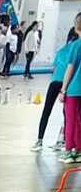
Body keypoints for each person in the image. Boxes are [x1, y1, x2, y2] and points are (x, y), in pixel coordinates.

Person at [30, 27, 76, 153]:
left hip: (54, 81)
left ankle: (39, 140)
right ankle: (62, 140)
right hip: (67, 83)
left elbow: (55, 66)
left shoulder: (61, 50)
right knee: (67, 113)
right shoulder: (76, 49)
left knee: (47, 111)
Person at [59, 31, 81, 163]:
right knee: (79, 120)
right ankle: (78, 150)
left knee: (71, 120)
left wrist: (63, 89)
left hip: (74, 89)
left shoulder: (76, 45)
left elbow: (70, 67)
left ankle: (68, 151)